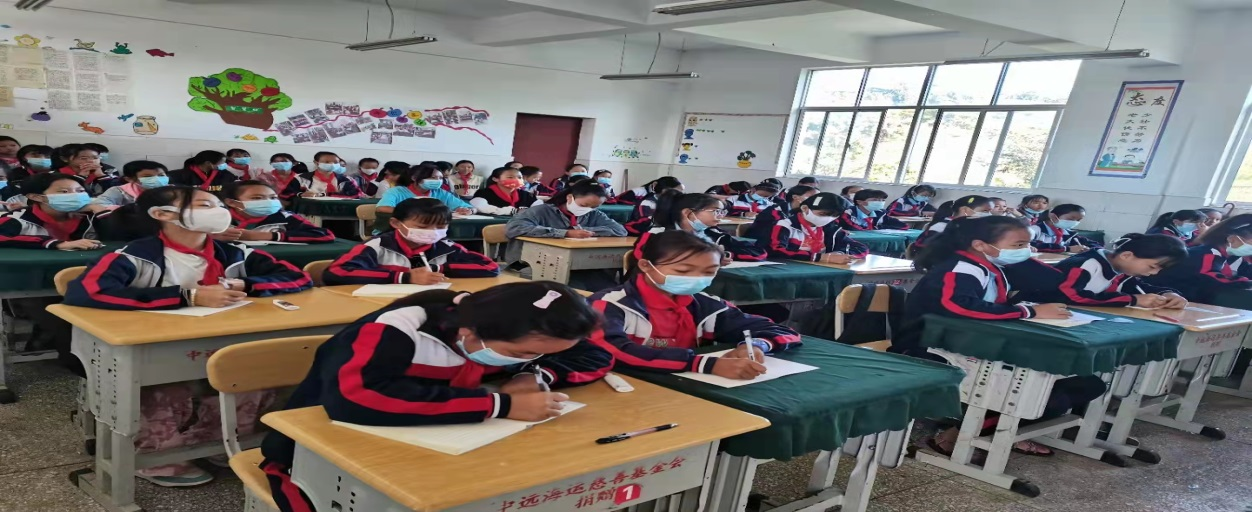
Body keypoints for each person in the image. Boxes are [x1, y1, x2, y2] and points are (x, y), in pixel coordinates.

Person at [258, 282, 612, 510]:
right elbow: (355, 399)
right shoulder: (395, 331)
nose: (532, 357)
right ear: (470, 332)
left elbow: (596, 356)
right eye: (522, 354)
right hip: (316, 448)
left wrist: (530, 374)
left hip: (439, 444)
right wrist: (501, 404)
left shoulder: (520, 332)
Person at [64, 185, 310, 486]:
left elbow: (299, 277)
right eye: (205, 205)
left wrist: (247, 285)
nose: (218, 211)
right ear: (163, 214)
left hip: (223, 338)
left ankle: (217, 442)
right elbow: (87, 292)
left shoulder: (234, 253)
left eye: (219, 205)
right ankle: (158, 457)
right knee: (164, 388)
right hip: (154, 346)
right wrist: (186, 296)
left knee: (250, 378)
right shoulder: (135, 256)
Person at [893, 215, 1099, 457]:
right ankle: (974, 432)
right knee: (1043, 389)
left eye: (1028, 244)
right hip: (930, 348)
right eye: (1018, 245)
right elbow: (960, 306)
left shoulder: (991, 267)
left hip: (974, 343)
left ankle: (997, 430)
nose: (1027, 250)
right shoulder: (959, 268)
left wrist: (1024, 262)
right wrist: (1029, 311)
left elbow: (1053, 280)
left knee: (1084, 384)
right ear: (980, 245)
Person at [588, 230, 799, 376]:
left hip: (687, 387)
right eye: (683, 271)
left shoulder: (705, 306)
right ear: (646, 266)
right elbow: (612, 351)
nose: (696, 278)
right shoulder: (609, 304)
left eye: (709, 272)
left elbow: (781, 331)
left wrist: (756, 345)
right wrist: (703, 364)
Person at [326, 198, 498, 285]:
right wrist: (404, 277)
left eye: (440, 226)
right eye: (422, 226)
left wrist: (437, 269)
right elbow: (335, 272)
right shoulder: (377, 246)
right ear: (395, 223)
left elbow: (490, 267)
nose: (433, 232)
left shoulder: (447, 247)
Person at [1036, 234, 1188, 308]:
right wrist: (1132, 300)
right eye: (1152, 267)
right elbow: (1069, 296)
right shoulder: (1085, 264)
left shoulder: (1121, 268)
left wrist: (1168, 294)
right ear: (1126, 255)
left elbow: (1138, 288)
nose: (1154, 273)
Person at [504, 181, 627, 261]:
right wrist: (565, 233)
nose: (588, 209)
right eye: (584, 205)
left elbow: (620, 230)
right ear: (569, 197)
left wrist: (584, 231)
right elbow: (514, 228)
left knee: (603, 282)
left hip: (573, 260)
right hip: (530, 261)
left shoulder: (593, 213)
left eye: (594, 207)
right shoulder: (541, 211)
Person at [1147, 214, 1252, 302]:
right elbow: (1215, 280)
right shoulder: (1207, 254)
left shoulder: (1225, 255)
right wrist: (1246, 282)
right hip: (1163, 299)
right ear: (1232, 239)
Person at [644, 192, 766, 262]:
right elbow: (650, 261)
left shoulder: (713, 233)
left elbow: (759, 252)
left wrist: (726, 254)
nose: (720, 216)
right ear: (688, 213)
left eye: (722, 212)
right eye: (715, 211)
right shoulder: (657, 234)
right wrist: (709, 256)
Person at [0, 173, 106, 250]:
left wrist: (101, 213)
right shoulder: (17, 218)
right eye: (64, 191)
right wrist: (56, 244)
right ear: (36, 197)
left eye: (80, 191)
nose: (75, 195)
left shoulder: (92, 215)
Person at [753, 192, 868, 262]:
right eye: (823, 214)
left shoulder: (830, 229)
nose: (828, 218)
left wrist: (840, 254)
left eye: (834, 216)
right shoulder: (784, 225)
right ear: (805, 208)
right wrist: (820, 257)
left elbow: (861, 248)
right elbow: (776, 251)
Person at [221, 180, 335, 244]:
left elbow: (325, 235)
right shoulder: (219, 218)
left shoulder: (285, 217)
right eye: (257, 198)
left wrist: (268, 236)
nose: (268, 202)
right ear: (232, 202)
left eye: (273, 198)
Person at [375, 162, 474, 216]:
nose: (438, 181)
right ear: (414, 178)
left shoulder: (440, 193)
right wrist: (419, 212)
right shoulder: (397, 191)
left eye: (440, 178)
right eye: (432, 178)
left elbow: (470, 207)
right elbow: (382, 208)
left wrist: (469, 210)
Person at [912, 195, 992, 251]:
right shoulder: (941, 227)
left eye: (989, 211)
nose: (989, 214)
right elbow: (932, 253)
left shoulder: (971, 227)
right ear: (965, 210)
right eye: (984, 211)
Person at [91, 160, 169, 208]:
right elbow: (98, 204)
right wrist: (129, 210)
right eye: (148, 176)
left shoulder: (173, 191)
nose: (157, 179)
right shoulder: (120, 191)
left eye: (161, 175)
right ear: (129, 179)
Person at [470, 167, 539, 215]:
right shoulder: (484, 193)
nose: (516, 180)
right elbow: (480, 207)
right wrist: (514, 211)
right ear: (495, 179)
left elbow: (540, 209)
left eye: (519, 177)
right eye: (510, 177)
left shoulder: (527, 194)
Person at [1033, 204, 1101, 253]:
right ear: (1053, 216)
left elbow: (1095, 244)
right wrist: (1066, 248)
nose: (1075, 222)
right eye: (1071, 219)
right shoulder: (1035, 230)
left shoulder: (1068, 233)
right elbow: (1031, 245)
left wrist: (1088, 249)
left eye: (1078, 220)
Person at [168, 150, 237, 193]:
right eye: (222, 162)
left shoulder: (225, 174)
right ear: (208, 163)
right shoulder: (179, 175)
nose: (224, 165)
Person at [838, 189, 906, 230]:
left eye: (882, 200)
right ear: (860, 202)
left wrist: (879, 227)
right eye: (875, 200)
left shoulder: (880, 213)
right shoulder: (848, 213)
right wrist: (874, 228)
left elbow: (903, 225)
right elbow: (852, 228)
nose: (880, 202)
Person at [619, 176, 683, 207]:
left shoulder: (668, 200)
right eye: (671, 191)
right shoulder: (637, 192)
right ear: (655, 185)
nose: (673, 195)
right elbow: (619, 204)